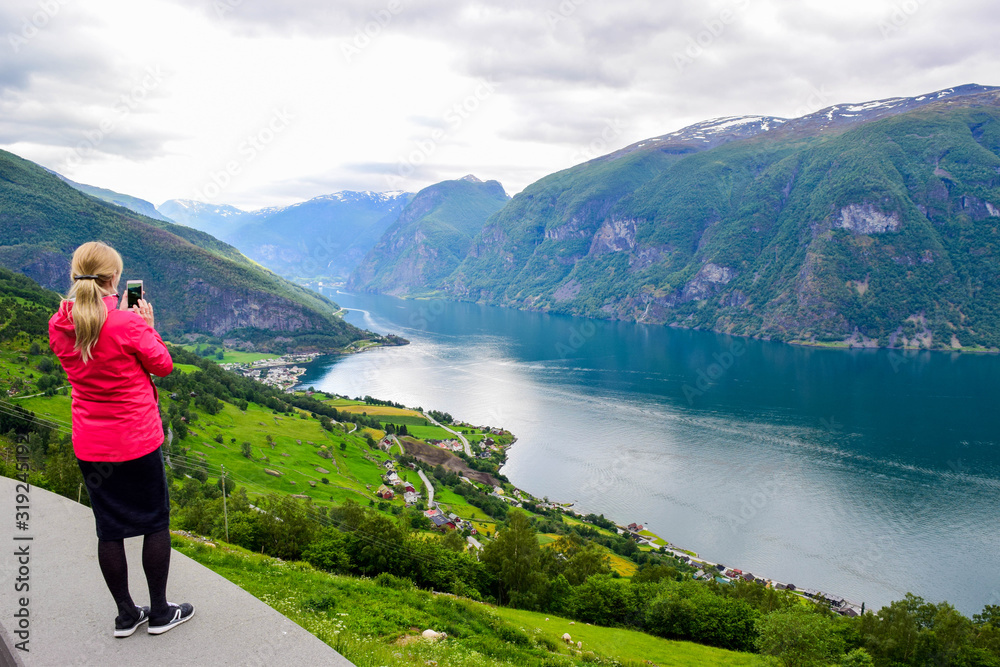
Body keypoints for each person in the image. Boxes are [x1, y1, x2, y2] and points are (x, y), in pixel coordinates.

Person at [48, 241, 194, 637]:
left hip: (92, 445)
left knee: (109, 529)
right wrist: (147, 326)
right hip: (136, 441)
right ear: (114, 280)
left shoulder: (59, 323)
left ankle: (127, 615)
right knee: (154, 524)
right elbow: (162, 366)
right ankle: (161, 612)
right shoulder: (128, 324)